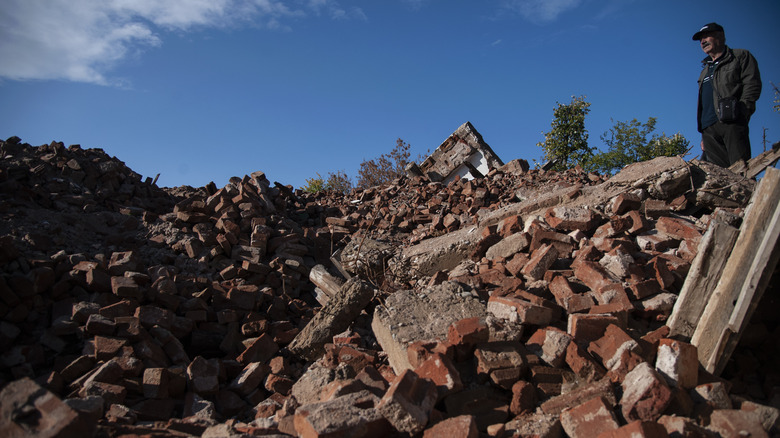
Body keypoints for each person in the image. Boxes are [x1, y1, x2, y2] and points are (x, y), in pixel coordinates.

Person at [693, 22, 762, 168]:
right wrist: (703, 135)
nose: (703, 41)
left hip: (732, 122)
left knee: (740, 169)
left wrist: (743, 111)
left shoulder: (740, 56)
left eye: (706, 36)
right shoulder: (705, 70)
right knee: (719, 176)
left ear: (720, 36)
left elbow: (752, 85)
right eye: (700, 39)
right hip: (708, 128)